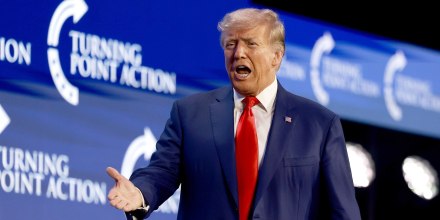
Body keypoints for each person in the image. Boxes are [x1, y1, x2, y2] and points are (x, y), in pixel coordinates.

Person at [106, 7, 361, 220]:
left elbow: (343, 212)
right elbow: (161, 172)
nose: (238, 53)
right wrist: (140, 194)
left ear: (276, 56)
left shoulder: (319, 124)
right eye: (231, 44)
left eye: (251, 43)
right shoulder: (190, 114)